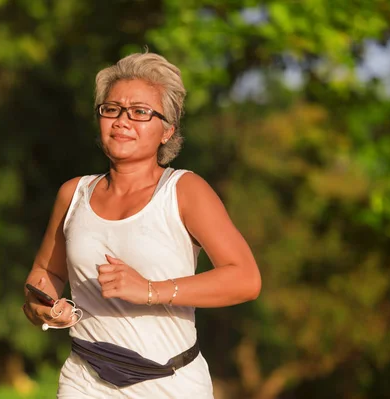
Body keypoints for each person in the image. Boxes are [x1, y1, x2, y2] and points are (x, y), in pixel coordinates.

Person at [22, 52, 261, 398]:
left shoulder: (184, 191)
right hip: (85, 381)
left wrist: (150, 290)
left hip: (170, 383)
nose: (122, 121)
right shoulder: (72, 194)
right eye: (111, 109)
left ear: (167, 131)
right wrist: (42, 305)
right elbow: (45, 273)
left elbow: (246, 278)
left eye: (140, 112)